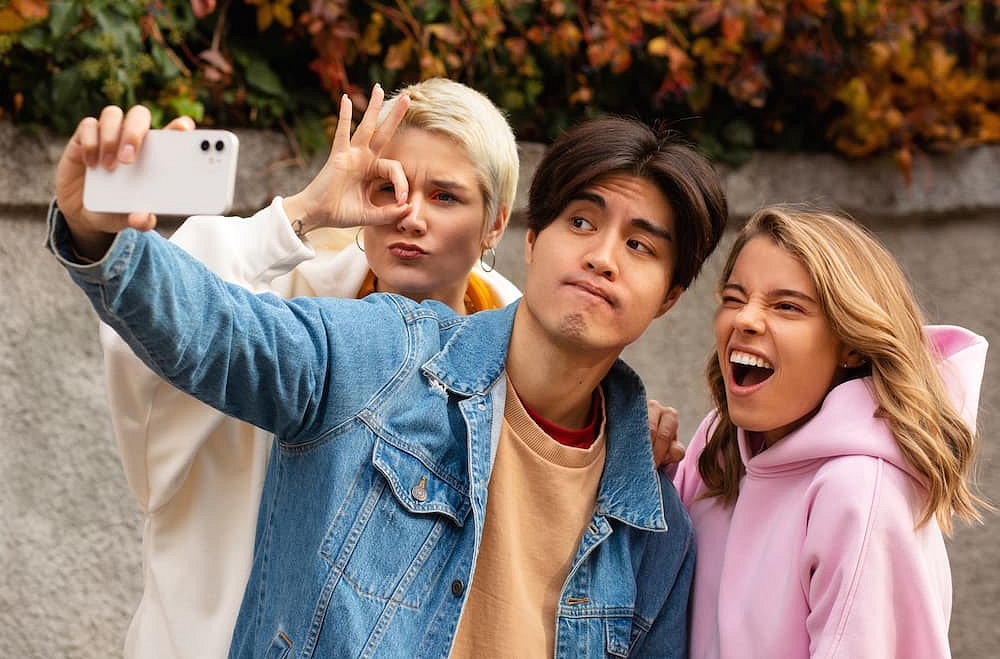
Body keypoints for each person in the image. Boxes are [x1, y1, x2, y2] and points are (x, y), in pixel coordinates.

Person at [49, 91, 728, 656]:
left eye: (640, 245)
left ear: (671, 294)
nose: (603, 256)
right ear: (531, 238)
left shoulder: (652, 520)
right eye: (581, 220)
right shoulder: (381, 345)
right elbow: (218, 331)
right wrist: (102, 238)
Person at [94, 78, 522, 659]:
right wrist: (305, 211)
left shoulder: (521, 357)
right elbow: (164, 326)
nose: (410, 216)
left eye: (445, 196)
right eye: (388, 186)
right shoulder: (284, 298)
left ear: (495, 223)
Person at [672, 205, 990, 658]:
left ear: (851, 345)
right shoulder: (718, 447)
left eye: (787, 306)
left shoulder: (858, 492)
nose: (745, 319)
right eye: (734, 298)